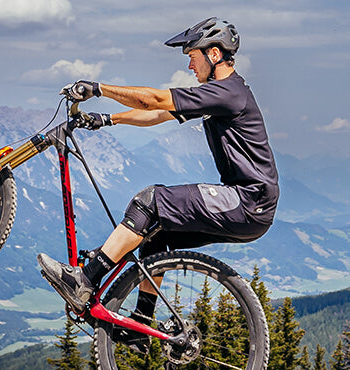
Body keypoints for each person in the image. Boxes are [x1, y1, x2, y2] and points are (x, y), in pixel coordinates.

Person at [36, 17, 277, 347]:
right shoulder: (219, 94)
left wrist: (98, 89)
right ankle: (140, 325)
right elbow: (158, 114)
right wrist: (106, 119)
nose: (190, 63)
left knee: (150, 200)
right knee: (154, 232)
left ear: (215, 54)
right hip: (251, 206)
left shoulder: (228, 92)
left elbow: (154, 101)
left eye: (193, 54)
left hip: (248, 201)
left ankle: (85, 278)